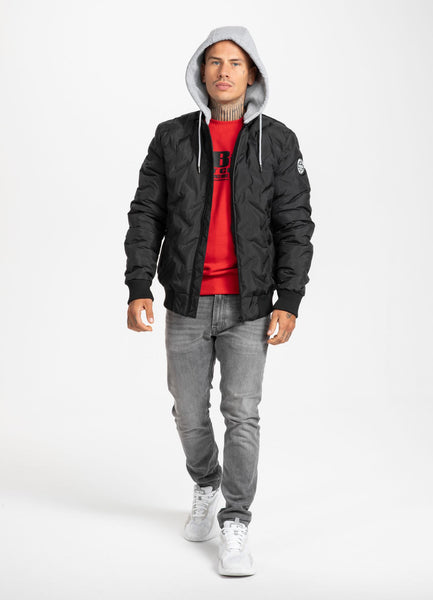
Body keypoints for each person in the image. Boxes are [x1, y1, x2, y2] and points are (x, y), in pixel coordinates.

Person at [124, 25, 315, 577]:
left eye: (235, 63)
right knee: (188, 413)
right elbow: (146, 214)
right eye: (214, 62)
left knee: (242, 413)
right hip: (187, 302)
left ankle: (236, 519)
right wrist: (139, 284)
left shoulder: (278, 142)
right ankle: (206, 482)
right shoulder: (173, 137)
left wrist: (290, 298)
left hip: (249, 306)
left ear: (251, 74)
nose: (224, 71)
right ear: (201, 72)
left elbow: (295, 224)